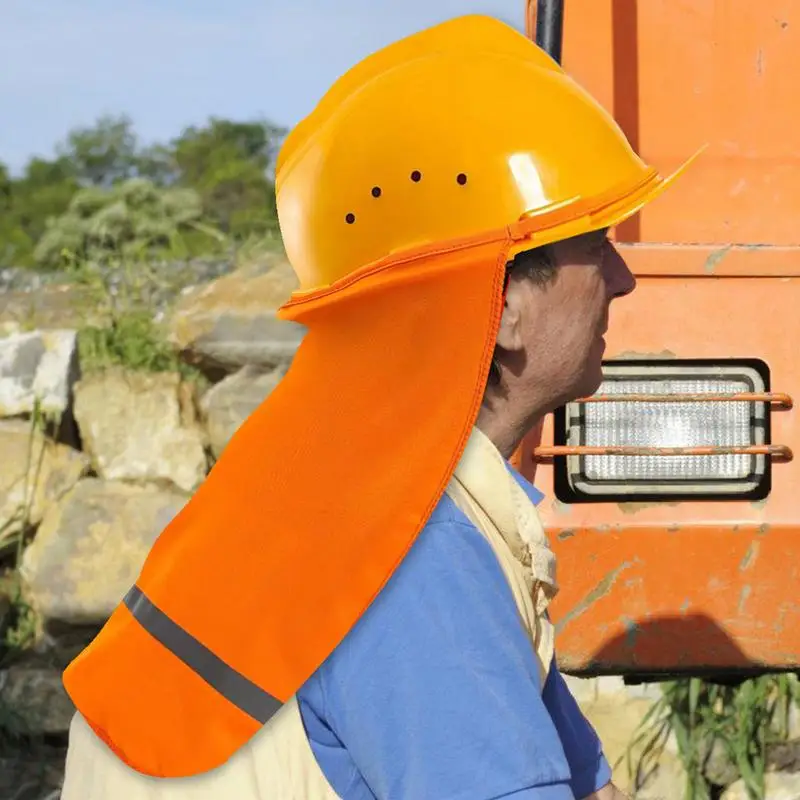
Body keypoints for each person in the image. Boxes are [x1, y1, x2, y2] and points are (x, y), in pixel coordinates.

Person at [59, 14, 697, 800]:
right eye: (594, 244)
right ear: (501, 310)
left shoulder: (360, 488)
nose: (623, 280)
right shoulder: (409, 556)